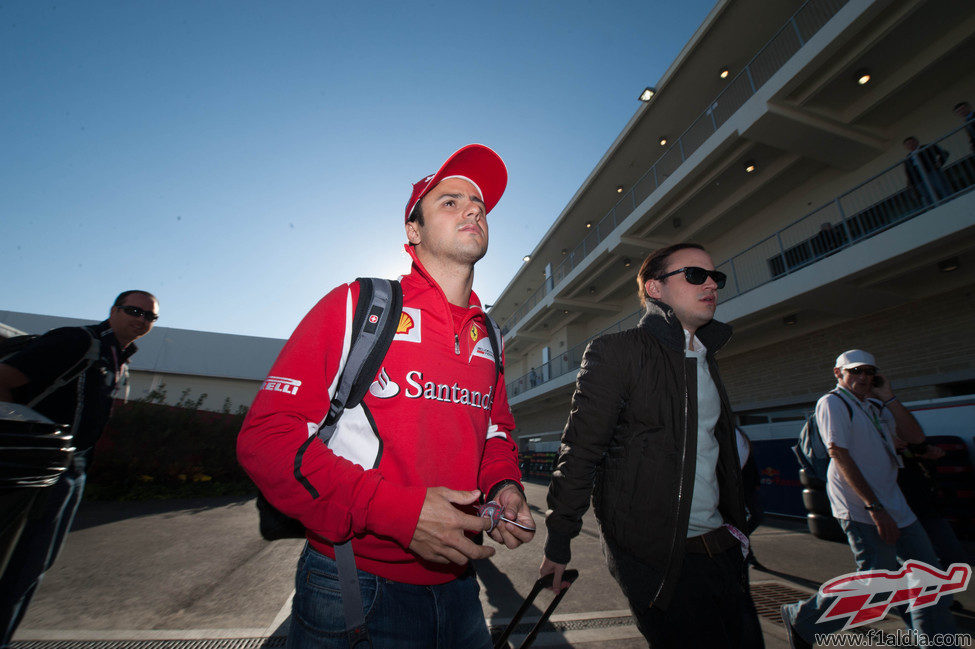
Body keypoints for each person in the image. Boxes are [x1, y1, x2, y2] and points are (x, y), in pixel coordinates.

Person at [237, 144, 534, 649]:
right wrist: (399, 512)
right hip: (352, 582)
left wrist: (505, 485)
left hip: (462, 588)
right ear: (413, 233)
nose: (473, 210)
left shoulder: (492, 335)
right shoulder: (358, 304)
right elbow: (266, 439)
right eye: (450, 201)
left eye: (479, 206)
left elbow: (495, 431)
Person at [540, 243, 763, 648]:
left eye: (716, 276)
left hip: (725, 552)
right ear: (655, 289)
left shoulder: (706, 358)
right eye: (695, 274)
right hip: (660, 562)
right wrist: (559, 543)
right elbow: (581, 452)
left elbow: (717, 454)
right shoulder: (617, 352)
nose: (711, 283)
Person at [0, 290, 158, 648]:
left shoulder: (119, 356)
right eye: (134, 310)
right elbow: (4, 380)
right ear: (114, 310)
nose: (141, 319)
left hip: (74, 467)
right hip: (38, 467)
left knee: (32, 569)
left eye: (150, 317)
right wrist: (22, 446)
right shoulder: (76, 340)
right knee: (15, 569)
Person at [781, 350, 958, 648]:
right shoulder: (833, 403)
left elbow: (914, 437)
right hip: (861, 507)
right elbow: (839, 453)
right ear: (838, 373)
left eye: (869, 372)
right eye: (855, 371)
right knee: (877, 581)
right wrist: (874, 508)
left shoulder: (875, 406)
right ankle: (804, 618)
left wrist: (888, 396)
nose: (864, 377)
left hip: (897, 504)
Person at [902, 136, 952, 204]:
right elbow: (908, 172)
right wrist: (910, 183)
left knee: (942, 188)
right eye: (907, 144)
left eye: (911, 142)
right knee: (927, 196)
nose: (910, 145)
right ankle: (933, 209)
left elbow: (944, 153)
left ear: (916, 142)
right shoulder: (908, 158)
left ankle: (949, 201)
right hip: (919, 180)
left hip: (931, 173)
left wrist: (939, 163)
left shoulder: (927, 147)